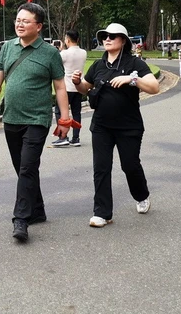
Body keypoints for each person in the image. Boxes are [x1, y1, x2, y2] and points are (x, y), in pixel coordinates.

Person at [0, 3, 71, 243]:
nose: (19, 24)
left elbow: (60, 86)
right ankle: (37, 210)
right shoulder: (7, 48)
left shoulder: (49, 53)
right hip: (11, 118)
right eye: (18, 20)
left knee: (27, 167)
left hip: (37, 120)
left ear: (38, 26)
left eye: (25, 21)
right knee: (22, 168)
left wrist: (64, 118)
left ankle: (21, 218)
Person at [70, 23, 160, 228]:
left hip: (129, 126)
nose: (107, 39)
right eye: (104, 36)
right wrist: (77, 82)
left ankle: (142, 195)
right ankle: (102, 213)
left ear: (124, 40)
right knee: (101, 168)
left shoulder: (134, 63)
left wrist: (132, 79)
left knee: (130, 165)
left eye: (112, 36)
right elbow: (86, 88)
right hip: (101, 126)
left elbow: (154, 87)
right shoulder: (98, 65)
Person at [53, 30, 87, 147]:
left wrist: (61, 49)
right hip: (78, 86)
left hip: (65, 87)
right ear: (77, 39)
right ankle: (76, 138)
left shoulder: (64, 54)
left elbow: (56, 62)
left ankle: (63, 136)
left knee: (60, 111)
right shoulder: (83, 52)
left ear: (67, 40)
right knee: (76, 112)